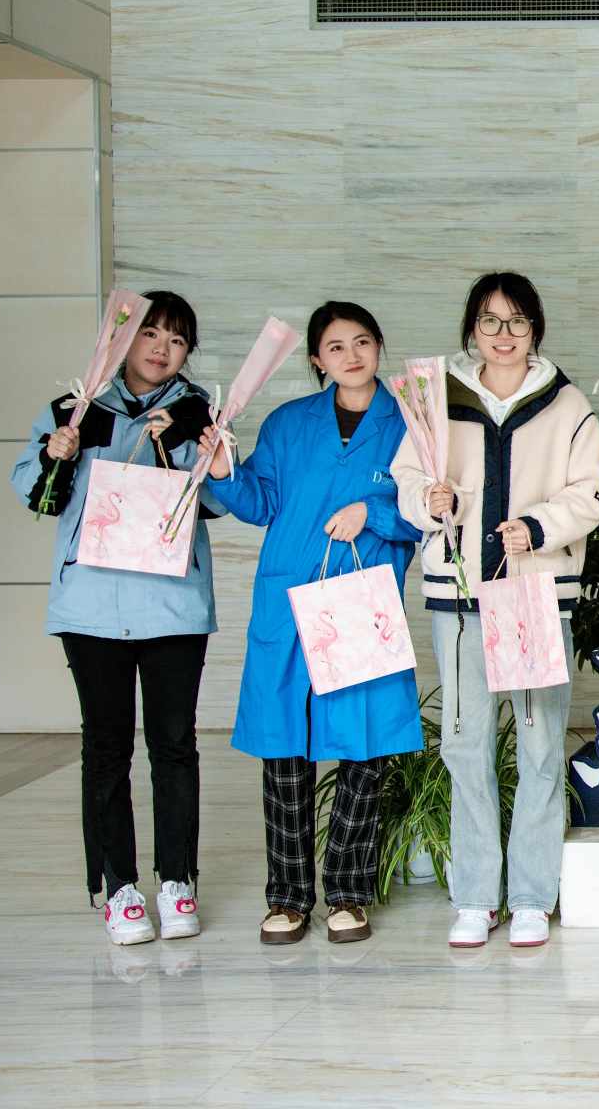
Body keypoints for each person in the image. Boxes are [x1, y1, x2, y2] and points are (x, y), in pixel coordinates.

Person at [393, 272, 599, 950]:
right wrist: (427, 501)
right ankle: (477, 897)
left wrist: (538, 527)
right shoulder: (436, 398)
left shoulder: (567, 404)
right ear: (472, 329)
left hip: (534, 595)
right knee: (465, 743)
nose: (504, 334)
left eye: (517, 321)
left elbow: (592, 491)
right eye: (490, 321)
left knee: (540, 745)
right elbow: (406, 477)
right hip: (459, 596)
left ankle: (533, 896)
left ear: (534, 329)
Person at [201, 301, 423, 944]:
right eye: (335, 346)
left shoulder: (412, 425)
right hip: (290, 602)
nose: (351, 356)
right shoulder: (288, 424)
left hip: (362, 605)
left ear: (379, 348)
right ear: (317, 360)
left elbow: (431, 510)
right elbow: (259, 502)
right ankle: (289, 897)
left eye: (362, 342)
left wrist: (373, 512)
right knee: (285, 751)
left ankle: (348, 893)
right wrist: (224, 472)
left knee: (366, 749)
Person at [13, 291, 218, 944]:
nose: (162, 348)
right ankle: (119, 887)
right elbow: (37, 496)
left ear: (188, 352)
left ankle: (177, 880)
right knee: (106, 748)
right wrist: (57, 453)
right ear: (124, 340)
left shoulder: (198, 413)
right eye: (150, 333)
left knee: (174, 745)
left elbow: (219, 500)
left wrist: (193, 448)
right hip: (92, 608)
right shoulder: (76, 409)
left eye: (177, 339)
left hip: (173, 607)